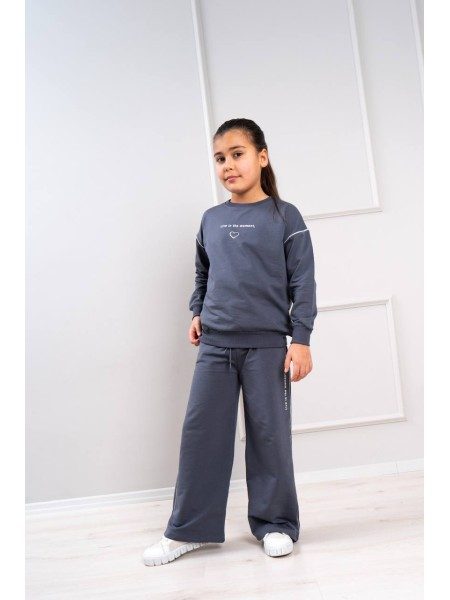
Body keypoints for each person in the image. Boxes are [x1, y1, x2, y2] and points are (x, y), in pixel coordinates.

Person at [143, 118, 317, 567]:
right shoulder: (212, 219)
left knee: (269, 436)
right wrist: (196, 311)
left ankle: (276, 524)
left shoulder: (285, 217)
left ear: (262, 157)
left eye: (237, 154)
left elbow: (303, 282)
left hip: (267, 347)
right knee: (201, 434)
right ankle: (189, 530)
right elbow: (203, 273)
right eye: (220, 158)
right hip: (215, 346)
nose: (228, 165)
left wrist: (301, 339)